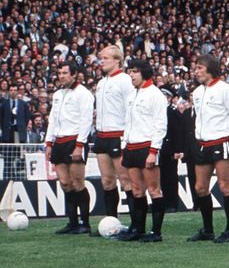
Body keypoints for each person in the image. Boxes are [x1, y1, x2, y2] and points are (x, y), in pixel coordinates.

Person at [185, 54, 229, 244]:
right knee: (200, 188)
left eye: (200, 68)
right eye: (196, 68)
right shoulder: (197, 92)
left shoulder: (226, 90)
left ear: (210, 68)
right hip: (203, 143)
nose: (196, 71)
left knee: (225, 186)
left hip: (221, 141)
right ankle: (208, 229)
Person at [117, 59, 168, 242]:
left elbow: (160, 125)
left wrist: (154, 151)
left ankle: (156, 232)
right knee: (137, 190)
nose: (131, 75)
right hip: (132, 147)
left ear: (144, 73)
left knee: (154, 190)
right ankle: (138, 229)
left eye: (134, 71)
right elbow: (127, 123)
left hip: (147, 146)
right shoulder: (131, 95)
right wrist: (124, 145)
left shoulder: (156, 95)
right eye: (129, 71)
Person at [46, 62, 95, 234]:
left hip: (74, 140)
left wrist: (80, 145)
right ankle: (72, 222)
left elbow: (86, 121)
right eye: (59, 72)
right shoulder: (58, 94)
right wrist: (48, 142)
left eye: (65, 73)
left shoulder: (84, 94)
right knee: (65, 183)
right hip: (59, 142)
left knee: (77, 182)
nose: (61, 76)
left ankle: (85, 223)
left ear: (74, 74)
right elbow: (52, 119)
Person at [92, 45, 133, 229]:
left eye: (106, 58)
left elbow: (131, 109)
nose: (102, 61)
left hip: (119, 136)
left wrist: (127, 137)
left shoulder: (125, 81)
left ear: (117, 60)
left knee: (126, 181)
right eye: (101, 58)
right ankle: (111, 222)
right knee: (107, 181)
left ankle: (135, 224)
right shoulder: (101, 83)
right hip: (102, 136)